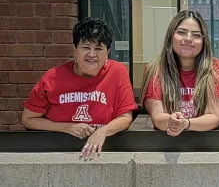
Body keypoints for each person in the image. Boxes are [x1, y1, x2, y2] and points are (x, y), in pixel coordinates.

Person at [21, 18, 138, 160]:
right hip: (58, 151)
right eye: (86, 47)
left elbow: (125, 118)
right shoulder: (52, 77)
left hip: (103, 151)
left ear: (108, 51)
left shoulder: (118, 72)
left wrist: (103, 131)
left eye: (99, 49)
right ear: (75, 49)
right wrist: (67, 127)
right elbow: (28, 119)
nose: (92, 54)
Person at [140, 9, 219, 136]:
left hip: (208, 146)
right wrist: (171, 121)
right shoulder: (155, 70)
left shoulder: (218, 70)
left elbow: (215, 117)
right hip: (168, 144)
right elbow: (157, 116)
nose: (188, 39)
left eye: (196, 35)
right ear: (170, 36)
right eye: (181, 32)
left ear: (204, 41)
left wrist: (186, 123)